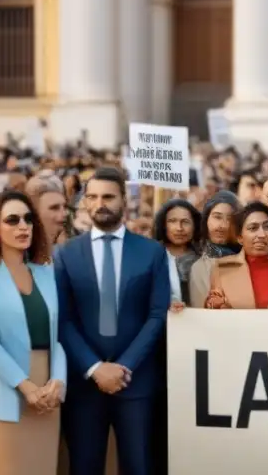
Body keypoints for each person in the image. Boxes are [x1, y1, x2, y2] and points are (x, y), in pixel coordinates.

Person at [54, 166, 170, 475]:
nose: (99, 203)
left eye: (108, 196)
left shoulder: (152, 252)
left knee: (139, 466)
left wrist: (124, 367)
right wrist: (94, 368)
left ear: (125, 201)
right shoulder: (66, 254)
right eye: (91, 197)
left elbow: (158, 315)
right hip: (84, 384)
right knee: (84, 466)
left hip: (137, 382)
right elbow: (64, 319)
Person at [0, 191, 65, 475]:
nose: (23, 226)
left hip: (48, 397)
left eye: (28, 219)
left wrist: (58, 381)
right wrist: (26, 387)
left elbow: (55, 337)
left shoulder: (47, 273)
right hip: (2, 394)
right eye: (12, 220)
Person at [187, 190, 241, 310]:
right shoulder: (198, 267)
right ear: (206, 220)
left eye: (230, 219)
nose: (222, 225)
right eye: (217, 217)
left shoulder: (247, 261)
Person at [152, 198, 202, 306]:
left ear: (195, 226)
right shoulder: (149, 257)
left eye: (185, 222)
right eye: (172, 221)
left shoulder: (203, 261)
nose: (179, 228)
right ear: (163, 225)